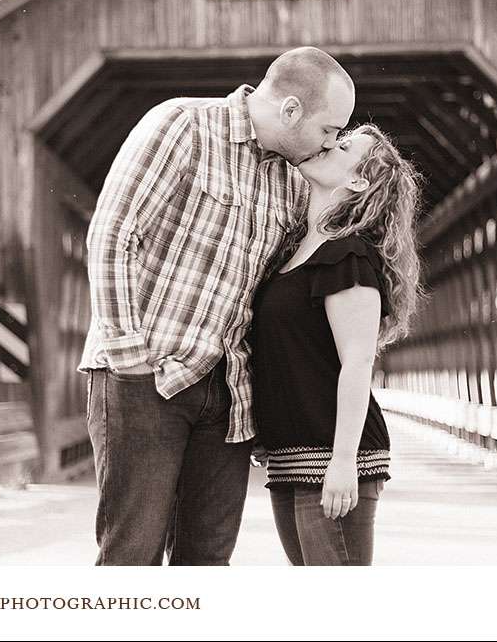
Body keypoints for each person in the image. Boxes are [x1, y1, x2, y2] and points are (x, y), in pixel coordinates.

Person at [79, 47, 355, 565]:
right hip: (147, 376)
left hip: (227, 398)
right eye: (328, 129)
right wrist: (128, 359)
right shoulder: (182, 126)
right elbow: (113, 235)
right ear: (291, 110)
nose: (332, 142)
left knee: (206, 562)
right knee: (132, 555)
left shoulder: (293, 182)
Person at [248, 123, 424, 565]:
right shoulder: (292, 251)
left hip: (335, 459)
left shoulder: (348, 256)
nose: (327, 143)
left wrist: (342, 461)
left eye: (343, 146)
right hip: (290, 455)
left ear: (358, 180)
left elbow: (358, 362)